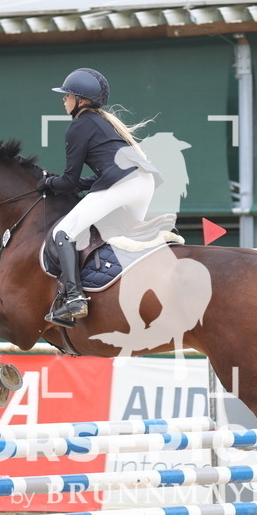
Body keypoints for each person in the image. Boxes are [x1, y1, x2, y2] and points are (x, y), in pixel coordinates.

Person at [38, 67, 164, 327]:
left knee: (64, 233)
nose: (64, 99)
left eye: (67, 95)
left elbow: (69, 182)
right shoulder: (104, 122)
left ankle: (75, 298)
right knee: (123, 239)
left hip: (124, 184)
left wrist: (48, 182)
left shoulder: (78, 127)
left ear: (80, 101)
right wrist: (65, 184)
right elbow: (96, 179)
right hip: (144, 182)